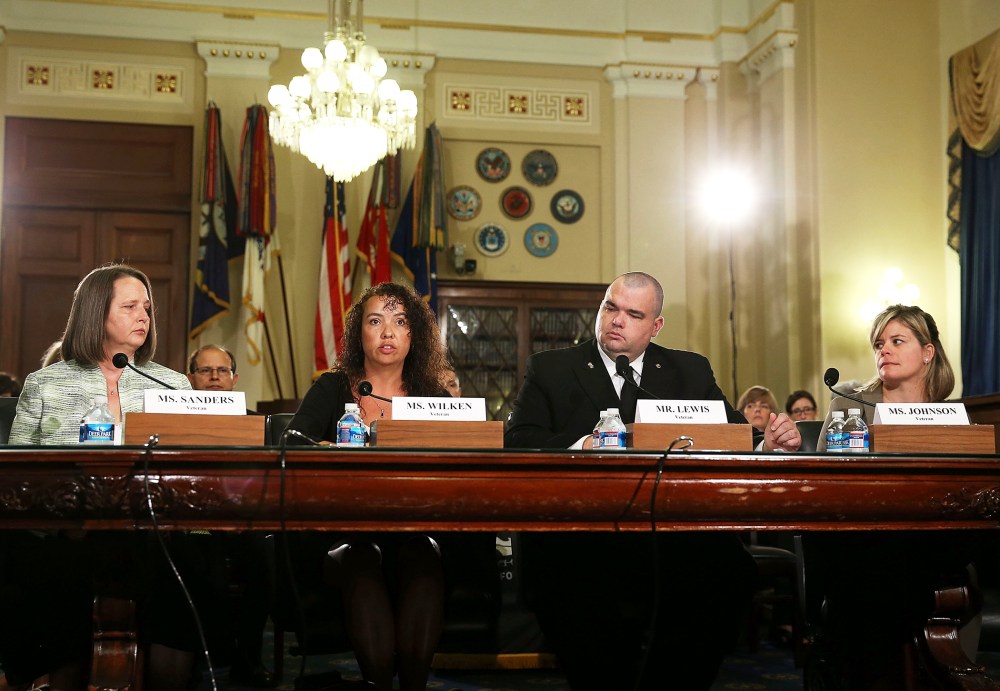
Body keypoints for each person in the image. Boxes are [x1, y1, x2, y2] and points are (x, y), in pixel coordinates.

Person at [504, 271, 801, 691]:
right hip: (581, 531)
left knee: (731, 571)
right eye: (610, 307)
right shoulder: (552, 368)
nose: (616, 320)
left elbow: (736, 436)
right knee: (568, 584)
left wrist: (767, 443)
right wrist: (585, 443)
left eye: (633, 313)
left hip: (672, 531)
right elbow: (518, 441)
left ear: (655, 325)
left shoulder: (689, 371)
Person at [5, 264, 195, 691]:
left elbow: (191, 470)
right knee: (50, 570)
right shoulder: (45, 384)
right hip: (67, 531)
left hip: (153, 530)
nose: (144, 316)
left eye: (147, 307)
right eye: (130, 306)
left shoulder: (173, 384)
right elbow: (17, 479)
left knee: (190, 566)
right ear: (95, 313)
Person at [287, 282, 451, 691]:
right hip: (342, 529)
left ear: (415, 334)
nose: (388, 333)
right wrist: (326, 446)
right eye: (375, 321)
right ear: (359, 333)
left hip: (413, 525)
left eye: (400, 322)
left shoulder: (432, 394)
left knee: (425, 555)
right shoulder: (333, 387)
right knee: (362, 556)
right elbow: (290, 443)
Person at [807, 304, 973, 687]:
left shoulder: (948, 415)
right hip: (860, 537)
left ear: (928, 352)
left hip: (930, 536)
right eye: (880, 343)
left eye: (898, 341)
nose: (885, 350)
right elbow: (823, 478)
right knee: (876, 580)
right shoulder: (849, 403)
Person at [186, 344, 276, 688]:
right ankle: (196, 658)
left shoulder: (257, 424)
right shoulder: (173, 420)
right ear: (190, 378)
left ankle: (247, 659)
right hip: (193, 522)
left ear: (234, 379)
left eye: (222, 371)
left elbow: (265, 482)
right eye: (205, 371)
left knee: (265, 560)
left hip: (244, 520)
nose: (213, 377)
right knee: (200, 565)